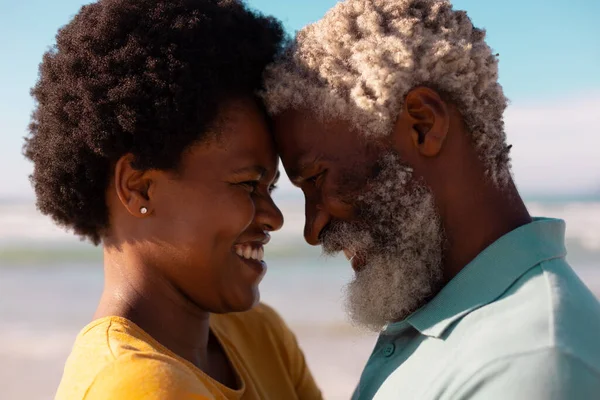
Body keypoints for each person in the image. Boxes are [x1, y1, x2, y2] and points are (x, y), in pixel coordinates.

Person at [262, 0, 600, 398]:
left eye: (318, 179)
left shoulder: (532, 366)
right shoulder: (443, 319)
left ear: (424, 124)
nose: (312, 229)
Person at [24, 0, 322, 399]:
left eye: (271, 188)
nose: (275, 218)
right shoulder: (136, 386)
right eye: (247, 185)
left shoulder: (260, 335)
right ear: (139, 188)